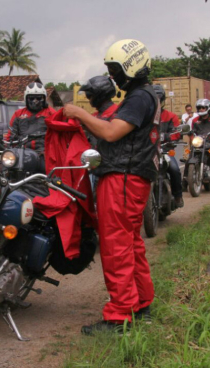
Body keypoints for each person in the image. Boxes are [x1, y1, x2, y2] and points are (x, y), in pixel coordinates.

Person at [63, 39, 158, 335]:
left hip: (123, 178)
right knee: (130, 244)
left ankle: (120, 316)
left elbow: (112, 132)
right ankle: (141, 303)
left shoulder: (140, 98)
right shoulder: (140, 95)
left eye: (116, 70)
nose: (113, 76)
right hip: (128, 177)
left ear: (132, 66)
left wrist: (79, 113)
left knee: (116, 246)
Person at [78, 76, 118, 196]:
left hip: (113, 171)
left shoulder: (118, 114)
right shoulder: (94, 116)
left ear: (99, 94)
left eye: (90, 95)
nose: (88, 99)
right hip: (95, 168)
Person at [153, 85, 184, 207]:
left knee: (175, 170)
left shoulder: (170, 116)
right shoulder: (145, 117)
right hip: (149, 152)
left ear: (162, 101)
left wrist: (166, 136)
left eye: (158, 100)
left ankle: (178, 196)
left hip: (165, 151)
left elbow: (177, 133)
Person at [4, 82, 56, 155]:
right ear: (26, 98)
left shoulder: (51, 113)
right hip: (22, 151)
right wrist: (8, 147)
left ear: (44, 98)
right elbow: (10, 135)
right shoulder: (18, 114)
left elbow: (58, 133)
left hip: (45, 151)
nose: (35, 101)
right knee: (6, 164)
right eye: (31, 98)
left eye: (38, 98)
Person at [190, 99, 210, 179]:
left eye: (203, 107)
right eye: (199, 107)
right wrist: (192, 137)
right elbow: (192, 132)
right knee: (189, 160)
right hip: (199, 143)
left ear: (208, 108)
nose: (201, 109)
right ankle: (185, 183)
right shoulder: (195, 120)